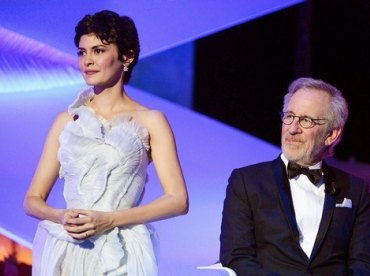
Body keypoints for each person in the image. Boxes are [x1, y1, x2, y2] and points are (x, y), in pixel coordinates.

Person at [23, 10, 188, 276]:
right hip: (69, 248)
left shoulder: (152, 120)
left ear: (128, 56)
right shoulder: (66, 120)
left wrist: (110, 219)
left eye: (98, 50)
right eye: (82, 52)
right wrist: (61, 216)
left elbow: (178, 200)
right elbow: (32, 200)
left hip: (121, 252)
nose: (87, 60)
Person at [220, 77, 370, 275]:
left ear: (331, 134)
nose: (292, 128)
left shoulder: (356, 190)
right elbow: (236, 257)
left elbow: (362, 264)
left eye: (306, 120)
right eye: (289, 116)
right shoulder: (247, 182)